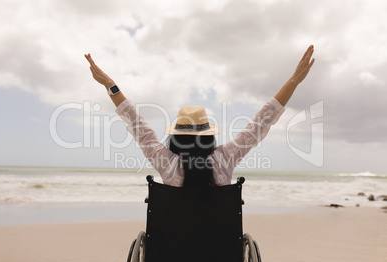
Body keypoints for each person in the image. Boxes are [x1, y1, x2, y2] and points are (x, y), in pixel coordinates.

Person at [85, 45, 315, 187]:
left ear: (176, 136)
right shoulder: (225, 159)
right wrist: (293, 82)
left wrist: (111, 85)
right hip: (219, 248)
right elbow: (261, 123)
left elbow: (136, 123)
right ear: (207, 136)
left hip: (173, 248)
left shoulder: (165, 161)